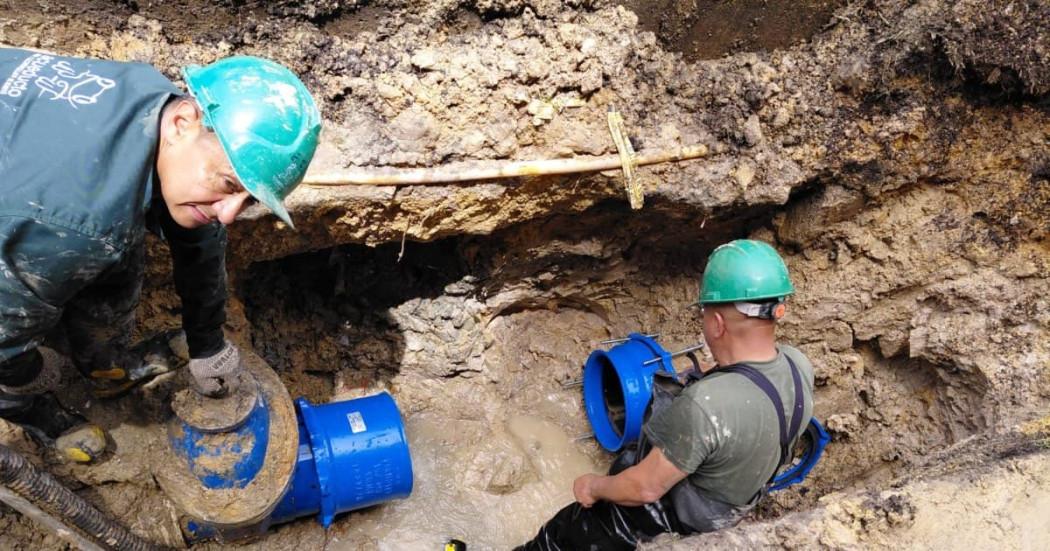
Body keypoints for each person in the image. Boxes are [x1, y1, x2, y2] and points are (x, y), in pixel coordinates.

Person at [0, 48, 322, 462]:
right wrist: (29, 373)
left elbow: (202, 231)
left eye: (248, 201)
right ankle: (25, 407)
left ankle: (104, 365)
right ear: (183, 123)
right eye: (228, 185)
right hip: (34, 207)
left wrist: (207, 343)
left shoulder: (153, 103)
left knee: (116, 243)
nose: (228, 214)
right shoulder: (75, 224)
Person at [519, 239, 816, 550]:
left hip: (671, 519)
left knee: (560, 537)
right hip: (729, 511)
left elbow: (644, 488)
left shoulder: (707, 405)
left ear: (716, 323)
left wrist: (593, 486)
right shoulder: (798, 364)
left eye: (705, 313)